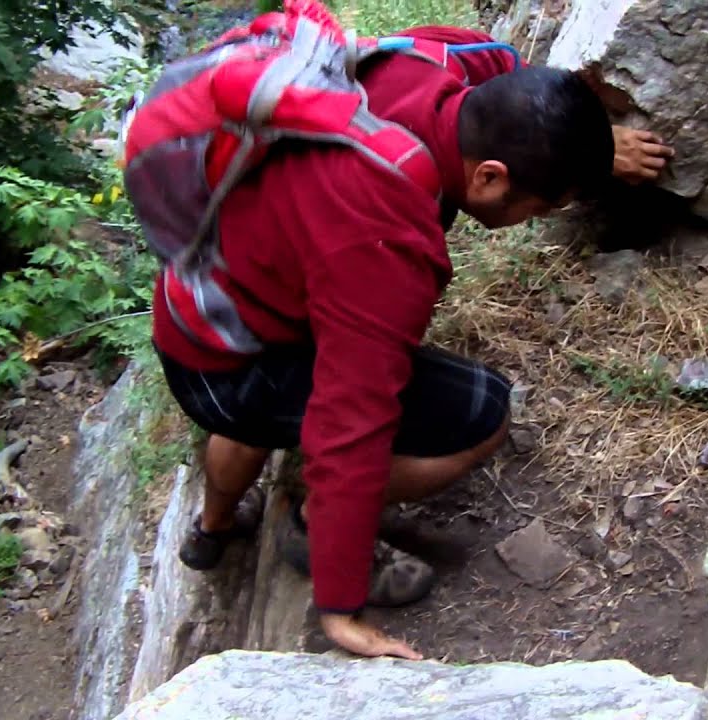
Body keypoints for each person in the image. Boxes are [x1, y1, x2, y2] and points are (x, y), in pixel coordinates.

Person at [149, 23, 674, 660]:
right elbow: (353, 422)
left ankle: (213, 528)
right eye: (535, 208)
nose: (530, 222)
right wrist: (341, 606)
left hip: (200, 307)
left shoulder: (427, 61)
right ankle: (311, 523)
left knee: (256, 414)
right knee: (483, 414)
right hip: (236, 371)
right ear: (487, 178)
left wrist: (593, 146)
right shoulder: (386, 249)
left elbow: (509, 71)